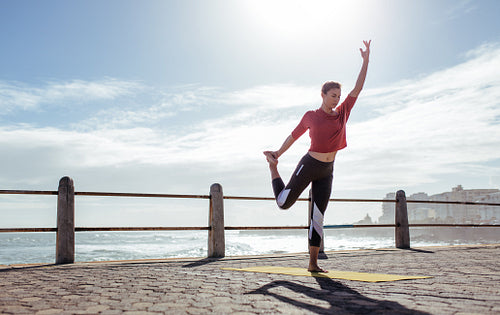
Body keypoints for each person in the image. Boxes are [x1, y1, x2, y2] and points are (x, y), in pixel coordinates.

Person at [263, 40, 371, 273]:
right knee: (283, 203)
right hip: (310, 164)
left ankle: (313, 263)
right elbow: (294, 136)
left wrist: (366, 61)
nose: (336, 99)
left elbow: (358, 88)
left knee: (318, 217)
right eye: (333, 95)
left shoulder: (342, 113)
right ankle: (273, 168)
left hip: (328, 170)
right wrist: (277, 154)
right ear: (322, 95)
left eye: (338, 95)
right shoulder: (311, 116)